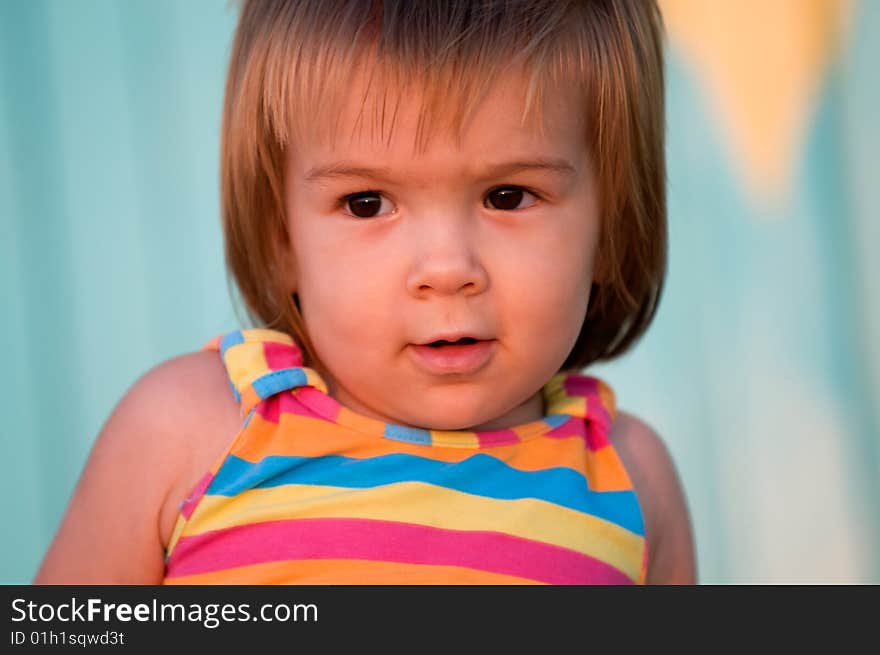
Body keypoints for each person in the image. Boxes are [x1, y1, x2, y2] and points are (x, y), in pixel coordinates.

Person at [35, 0, 696, 585]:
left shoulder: (631, 482)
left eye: (508, 196)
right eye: (366, 202)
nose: (445, 269)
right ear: (281, 240)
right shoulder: (191, 433)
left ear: (611, 228)